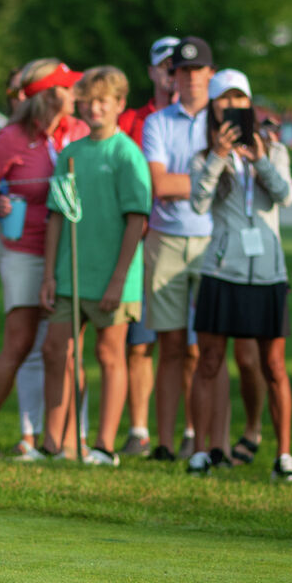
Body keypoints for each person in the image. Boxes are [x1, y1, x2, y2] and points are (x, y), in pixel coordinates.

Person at [0, 57, 87, 457]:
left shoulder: (80, 131)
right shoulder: (12, 136)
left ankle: (65, 440)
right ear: (50, 95)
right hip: (24, 252)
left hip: (70, 254)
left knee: (65, 349)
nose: (76, 94)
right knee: (18, 345)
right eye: (69, 87)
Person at [187, 69, 292, 479]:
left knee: (274, 366)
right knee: (210, 361)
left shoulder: (274, 150)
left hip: (269, 274)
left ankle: (284, 455)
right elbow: (198, 205)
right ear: (213, 108)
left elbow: (285, 196)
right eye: (224, 100)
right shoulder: (203, 155)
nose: (232, 107)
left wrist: (261, 160)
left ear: (250, 104)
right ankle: (200, 451)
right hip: (222, 272)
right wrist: (219, 158)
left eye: (240, 100)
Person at [38, 65, 150, 463]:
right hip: (70, 273)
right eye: (89, 100)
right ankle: (55, 442)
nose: (95, 108)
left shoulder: (127, 154)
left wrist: (118, 279)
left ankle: (103, 445)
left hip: (113, 277)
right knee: (57, 352)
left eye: (104, 101)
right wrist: (49, 274)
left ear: (120, 104)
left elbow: (137, 219)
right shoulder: (70, 152)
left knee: (109, 355)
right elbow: (56, 216)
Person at [141, 37, 223, 464]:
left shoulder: (223, 119)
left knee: (205, 348)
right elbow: (159, 186)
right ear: (172, 76)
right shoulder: (157, 122)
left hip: (212, 241)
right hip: (166, 239)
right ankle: (166, 443)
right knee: (171, 346)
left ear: (210, 74)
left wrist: (188, 186)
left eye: (197, 71)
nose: (189, 78)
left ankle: (202, 439)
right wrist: (209, 185)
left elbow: (193, 185)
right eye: (182, 71)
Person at [121, 36, 178, 456]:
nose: (173, 72)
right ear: (152, 71)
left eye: (180, 66)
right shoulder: (131, 120)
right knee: (140, 343)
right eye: (166, 65)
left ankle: (186, 430)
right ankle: (139, 429)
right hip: (139, 244)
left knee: (188, 346)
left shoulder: (203, 119)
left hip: (180, 240)